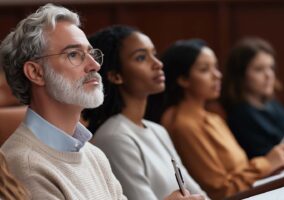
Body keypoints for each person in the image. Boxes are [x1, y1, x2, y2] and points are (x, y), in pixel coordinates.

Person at [0, 4, 126, 200]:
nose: (94, 65)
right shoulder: (25, 165)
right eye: (74, 54)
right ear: (36, 72)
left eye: (91, 53)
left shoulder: (93, 154)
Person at [83, 25, 208, 200]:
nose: (158, 64)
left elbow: (198, 193)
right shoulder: (114, 137)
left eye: (154, 55)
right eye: (141, 57)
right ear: (116, 75)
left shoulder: (158, 130)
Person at [160, 39, 284, 200]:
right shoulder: (184, 125)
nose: (217, 75)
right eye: (205, 69)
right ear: (183, 80)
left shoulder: (214, 117)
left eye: (215, 67)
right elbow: (220, 192)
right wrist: (266, 164)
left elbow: (239, 172)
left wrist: (269, 169)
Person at [221, 37, 284, 164]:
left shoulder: (271, 104)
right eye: (259, 69)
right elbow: (271, 159)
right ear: (240, 76)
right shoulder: (240, 116)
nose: (269, 75)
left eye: (271, 67)